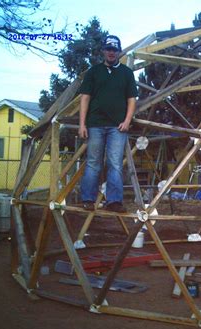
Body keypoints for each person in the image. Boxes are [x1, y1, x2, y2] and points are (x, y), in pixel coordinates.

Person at [78, 35, 137, 212]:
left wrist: (127, 121)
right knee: (93, 163)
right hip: (95, 125)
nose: (111, 53)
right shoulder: (93, 72)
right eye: (108, 49)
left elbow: (132, 99)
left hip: (117, 127)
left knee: (115, 164)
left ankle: (114, 201)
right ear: (103, 51)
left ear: (119, 52)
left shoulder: (126, 73)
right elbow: (85, 98)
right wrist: (82, 124)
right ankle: (88, 199)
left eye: (114, 50)